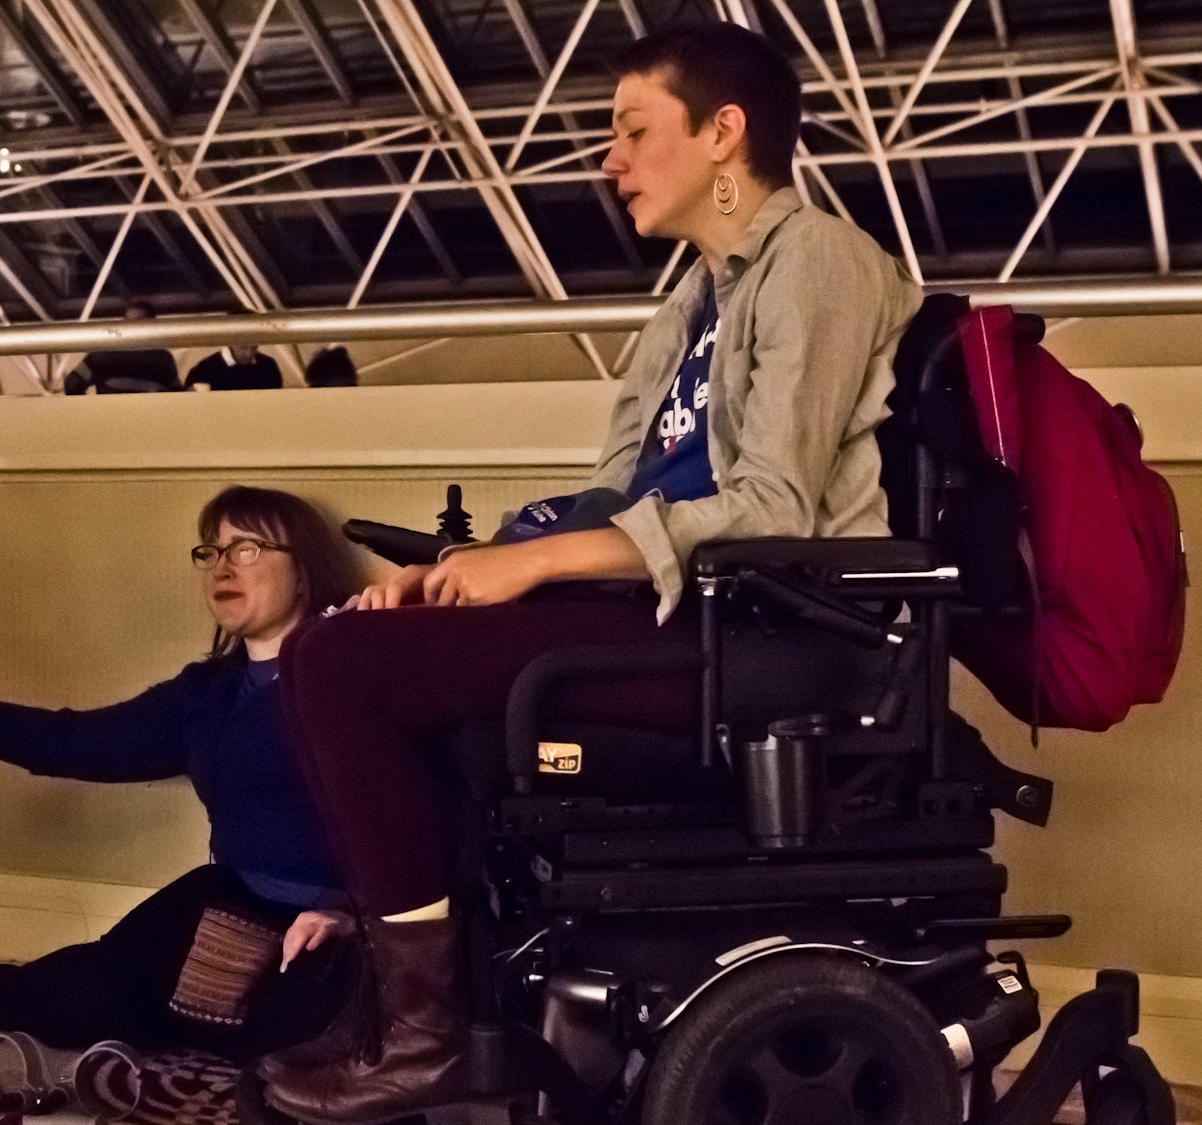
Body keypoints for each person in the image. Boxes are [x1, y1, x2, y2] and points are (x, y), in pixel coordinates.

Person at [254, 23, 923, 1122]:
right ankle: (413, 1009)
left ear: (722, 134)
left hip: (762, 634)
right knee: (334, 645)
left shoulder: (817, 263)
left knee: (344, 672)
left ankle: (421, 1033)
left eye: (630, 130)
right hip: (667, 609)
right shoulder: (695, 298)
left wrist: (541, 563)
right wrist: (473, 567)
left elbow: (775, 507)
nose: (607, 159)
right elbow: (620, 494)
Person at [0, 486, 363, 1061]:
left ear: (304, 571)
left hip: (342, 926)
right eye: (211, 551)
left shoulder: (349, 670)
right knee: (73, 1000)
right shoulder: (206, 694)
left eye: (247, 549)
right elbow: (73, 743)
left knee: (302, 1041)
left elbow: (422, 812)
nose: (221, 566)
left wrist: (350, 915)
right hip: (232, 903)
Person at [64, 298, 181, 393]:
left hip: (111, 417)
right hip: (149, 417)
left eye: (136, 323)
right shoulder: (163, 359)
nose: (129, 327)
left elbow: (73, 384)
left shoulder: (103, 355)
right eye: (127, 322)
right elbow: (178, 394)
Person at [185, 343, 283, 391]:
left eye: (254, 347)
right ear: (229, 341)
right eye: (243, 347)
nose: (249, 353)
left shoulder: (268, 366)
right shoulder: (204, 370)